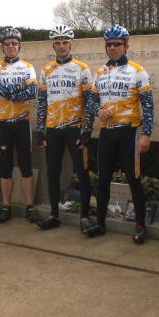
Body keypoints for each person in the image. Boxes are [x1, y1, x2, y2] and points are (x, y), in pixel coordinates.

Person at [85, 25, 154, 244]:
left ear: (126, 46)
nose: (113, 48)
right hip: (107, 133)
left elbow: (149, 104)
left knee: (134, 179)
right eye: (109, 44)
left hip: (129, 132)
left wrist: (146, 134)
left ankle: (140, 225)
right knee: (103, 179)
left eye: (117, 44)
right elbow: (90, 99)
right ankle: (100, 223)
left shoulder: (137, 70)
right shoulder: (101, 71)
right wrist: (97, 110)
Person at [36, 25, 94, 231]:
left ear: (70, 44)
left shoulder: (82, 68)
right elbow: (42, 102)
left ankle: (85, 216)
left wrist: (88, 130)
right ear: (53, 45)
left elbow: (90, 102)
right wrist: (40, 129)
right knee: (52, 173)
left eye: (65, 43)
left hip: (75, 128)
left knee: (82, 171)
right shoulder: (45, 70)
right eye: (58, 43)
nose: (61, 47)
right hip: (53, 129)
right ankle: (54, 215)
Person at [0, 27, 40, 224]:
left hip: (22, 122)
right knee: (5, 167)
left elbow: (32, 91)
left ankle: (29, 207)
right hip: (2, 124)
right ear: (2, 47)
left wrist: (7, 91)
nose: (10, 46)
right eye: (7, 43)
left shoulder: (27, 67)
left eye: (14, 43)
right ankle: (6, 207)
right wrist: (19, 88)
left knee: (26, 166)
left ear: (19, 46)